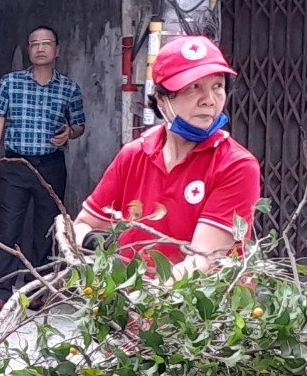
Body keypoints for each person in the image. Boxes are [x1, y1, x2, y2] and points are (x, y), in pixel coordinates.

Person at [77, 33, 262, 271]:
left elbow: (201, 261)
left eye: (218, 87)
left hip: (199, 306)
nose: (209, 100)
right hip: (130, 301)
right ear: (161, 98)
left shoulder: (235, 165)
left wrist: (141, 301)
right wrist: (95, 242)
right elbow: (82, 225)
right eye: (194, 87)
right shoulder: (135, 154)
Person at [0, 25, 86, 312]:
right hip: (15, 165)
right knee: (8, 228)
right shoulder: (11, 82)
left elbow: (79, 125)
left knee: (45, 230)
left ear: (57, 50)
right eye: (34, 44)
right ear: (29, 50)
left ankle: (36, 290)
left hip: (51, 166)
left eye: (46, 43)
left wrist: (70, 133)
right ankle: (0, 293)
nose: (40, 48)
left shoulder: (69, 88)